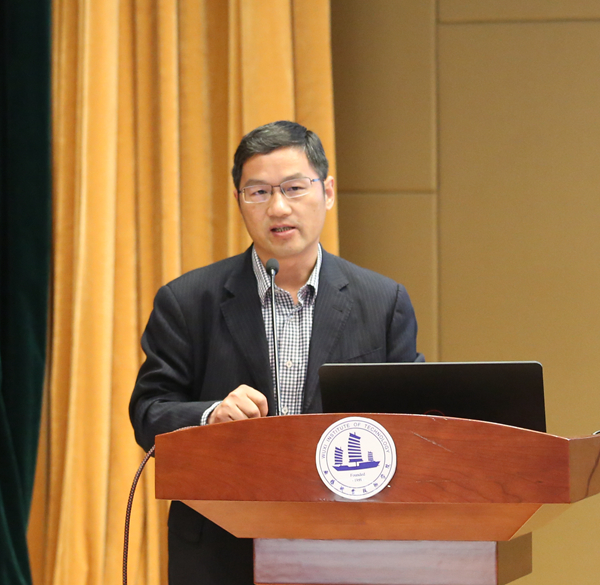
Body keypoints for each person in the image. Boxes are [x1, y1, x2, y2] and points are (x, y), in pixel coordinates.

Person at [129, 120, 423, 585]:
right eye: (259, 192)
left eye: (293, 188)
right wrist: (209, 416)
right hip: (221, 550)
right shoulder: (186, 301)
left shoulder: (383, 302)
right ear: (239, 201)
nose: (278, 207)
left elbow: (415, 423)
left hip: (348, 547)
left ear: (327, 192)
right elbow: (148, 413)